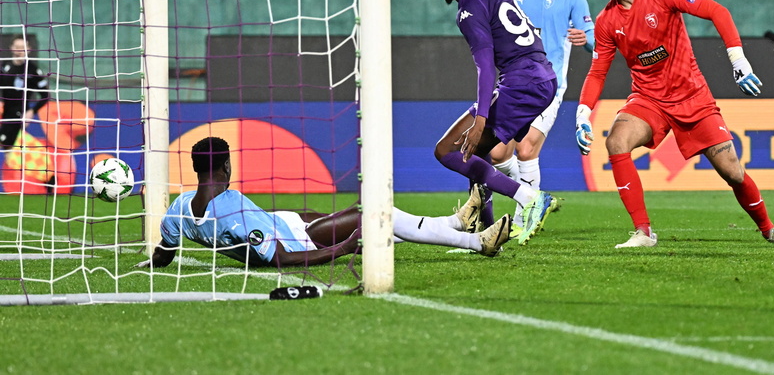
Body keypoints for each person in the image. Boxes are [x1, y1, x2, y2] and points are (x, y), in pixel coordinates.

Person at [575, 0, 774, 248]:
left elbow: (717, 11)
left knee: (733, 173)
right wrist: (583, 113)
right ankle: (643, 232)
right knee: (616, 141)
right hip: (649, 100)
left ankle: (769, 229)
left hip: (692, 97)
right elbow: (597, 72)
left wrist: (739, 61)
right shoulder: (606, 22)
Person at [139, 137, 512, 269]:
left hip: (285, 222)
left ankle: (456, 224)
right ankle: (476, 241)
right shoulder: (232, 215)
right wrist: (343, 248)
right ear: (225, 165)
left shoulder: (178, 210)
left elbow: (166, 252)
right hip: (301, 240)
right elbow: (282, 258)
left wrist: (152, 262)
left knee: (370, 215)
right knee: (375, 212)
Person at [431, 0, 558, 246]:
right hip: (540, 76)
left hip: (522, 81)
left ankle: (530, 198)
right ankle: (486, 232)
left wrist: (480, 119)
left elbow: (485, 66)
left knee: (447, 150)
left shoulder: (467, 9)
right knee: (475, 152)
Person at [485, 0, 594, 233]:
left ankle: (523, 221)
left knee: (527, 148)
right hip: (515, 83)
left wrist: (586, 40)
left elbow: (594, 39)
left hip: (550, 86)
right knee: (496, 154)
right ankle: (532, 195)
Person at [0, 34, 50, 149]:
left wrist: (32, 111)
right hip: (5, 112)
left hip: (20, 114)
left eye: (22, 48)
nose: (19, 51)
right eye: (17, 47)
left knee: (8, 145)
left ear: (28, 49)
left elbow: (45, 95)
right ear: (11, 47)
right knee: (7, 147)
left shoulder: (33, 71)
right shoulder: (5, 67)